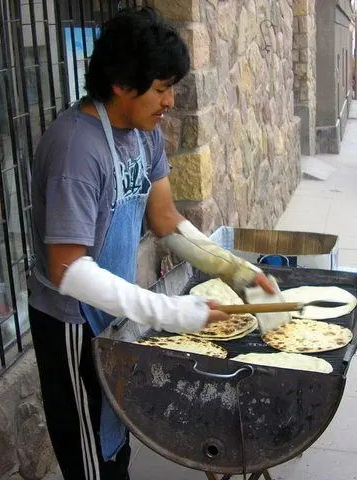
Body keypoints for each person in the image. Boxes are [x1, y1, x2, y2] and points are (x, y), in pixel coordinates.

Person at [27, 7, 273, 479]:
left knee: (118, 439)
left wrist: (235, 270)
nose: (170, 101)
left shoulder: (144, 134)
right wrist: (170, 312)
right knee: (89, 454)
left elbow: (164, 219)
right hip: (72, 323)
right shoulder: (75, 150)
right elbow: (68, 269)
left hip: (115, 307)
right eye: (161, 88)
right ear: (121, 83)